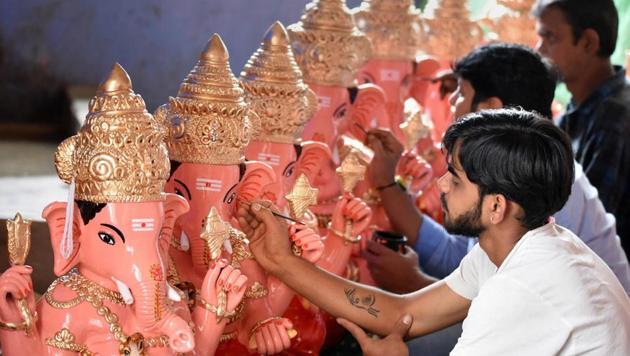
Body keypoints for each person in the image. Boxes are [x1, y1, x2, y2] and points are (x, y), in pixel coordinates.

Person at [238, 109, 630, 356]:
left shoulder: (522, 288)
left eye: (455, 180)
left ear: (496, 206)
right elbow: (401, 312)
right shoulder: (520, 243)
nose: (440, 185)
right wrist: (281, 261)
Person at [366, 43, 630, 296]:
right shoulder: (513, 166)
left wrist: (413, 283)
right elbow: (459, 255)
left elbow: (509, 312)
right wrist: (387, 184)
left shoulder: (538, 181)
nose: (452, 102)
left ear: (489, 108)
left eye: (461, 92)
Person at [534, 0, 630, 252]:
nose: (539, 50)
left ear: (588, 42)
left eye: (550, 38)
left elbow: (584, 232)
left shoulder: (616, 118)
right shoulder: (578, 108)